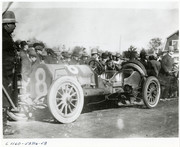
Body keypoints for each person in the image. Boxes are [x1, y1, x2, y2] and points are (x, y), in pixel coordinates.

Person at [2, 11, 17, 135]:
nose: (15, 26)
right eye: (13, 23)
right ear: (6, 25)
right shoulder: (3, 38)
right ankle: (3, 126)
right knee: (3, 99)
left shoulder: (6, 36)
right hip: (2, 75)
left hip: (6, 74)